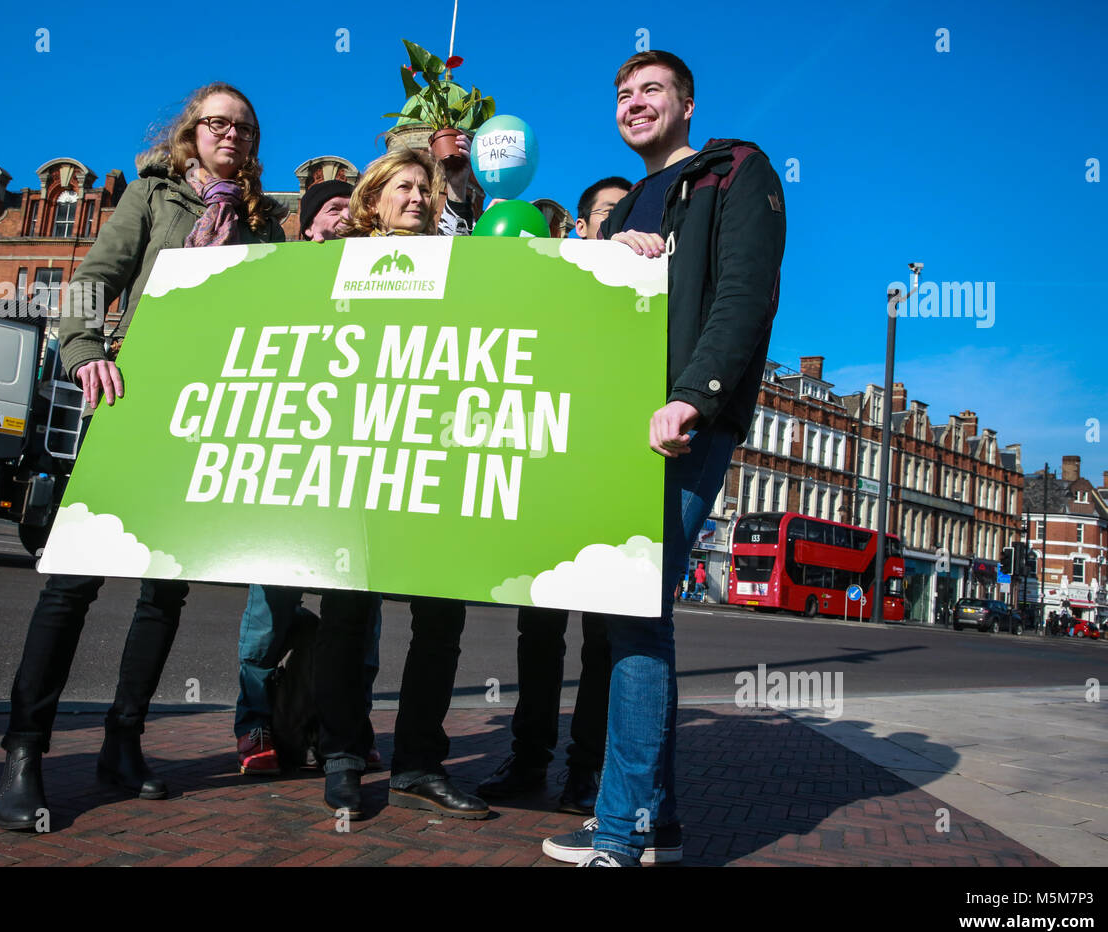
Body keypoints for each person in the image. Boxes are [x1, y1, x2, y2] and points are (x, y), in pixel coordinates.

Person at [0, 82, 287, 830]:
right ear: (191, 133)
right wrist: (87, 350)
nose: (232, 136)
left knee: (165, 592)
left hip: (211, 416)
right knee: (73, 584)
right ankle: (24, 753)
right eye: (218, 124)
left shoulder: (264, 225)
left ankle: (123, 742)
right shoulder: (154, 199)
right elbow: (92, 283)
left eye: (244, 128)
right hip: (133, 401)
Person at [542, 50, 785, 866]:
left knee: (636, 613)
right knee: (632, 615)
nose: (633, 103)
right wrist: (616, 255)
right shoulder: (628, 203)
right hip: (616, 425)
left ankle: (620, 833)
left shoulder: (736, 169)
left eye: (651, 90)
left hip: (681, 424)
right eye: (621, 94)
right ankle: (655, 819)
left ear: (687, 103)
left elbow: (745, 292)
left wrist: (696, 394)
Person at [315, 146, 489, 821]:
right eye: (403, 188)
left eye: (426, 188)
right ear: (373, 200)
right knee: (346, 613)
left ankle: (419, 761)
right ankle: (344, 755)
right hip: (355, 452)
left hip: (433, 455)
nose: (417, 197)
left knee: (441, 617)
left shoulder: (461, 266)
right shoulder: (334, 261)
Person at [475, 176, 631, 816]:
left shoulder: (639, 292)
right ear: (581, 228)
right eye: (605, 214)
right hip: (544, 482)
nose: (616, 223)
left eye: (628, 213)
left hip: (605, 483)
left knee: (602, 644)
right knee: (538, 633)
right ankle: (530, 755)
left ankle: (586, 770)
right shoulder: (552, 284)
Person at [232, 179, 390, 776]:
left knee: (362, 622)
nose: (347, 217)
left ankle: (343, 727)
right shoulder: (277, 272)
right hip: (290, 468)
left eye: (357, 211)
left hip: (360, 472)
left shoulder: (385, 281)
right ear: (304, 223)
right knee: (268, 610)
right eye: (333, 208)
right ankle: (258, 726)